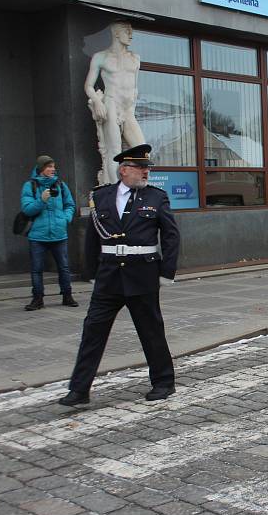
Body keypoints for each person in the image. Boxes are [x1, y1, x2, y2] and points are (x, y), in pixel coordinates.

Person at [59, 144, 180, 406]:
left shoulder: (156, 198)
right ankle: (79, 389)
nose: (146, 172)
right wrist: (91, 272)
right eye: (140, 168)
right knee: (93, 330)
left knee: (151, 331)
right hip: (109, 276)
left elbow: (171, 236)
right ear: (124, 170)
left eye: (147, 168)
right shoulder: (101, 197)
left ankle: (163, 382)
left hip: (143, 274)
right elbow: (92, 237)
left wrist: (166, 271)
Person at [84, 21, 145, 185]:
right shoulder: (101, 57)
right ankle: (114, 191)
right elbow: (88, 86)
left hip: (128, 109)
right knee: (114, 151)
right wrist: (97, 101)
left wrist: (131, 108)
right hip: (112, 104)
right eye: (127, 31)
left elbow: (135, 88)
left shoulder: (135, 58)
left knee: (142, 150)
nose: (131, 35)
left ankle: (138, 188)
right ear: (116, 33)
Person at [20, 155, 78, 311]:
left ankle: (67, 296)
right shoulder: (30, 186)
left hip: (59, 233)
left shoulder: (60, 184)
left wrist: (65, 219)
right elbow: (27, 209)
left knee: (64, 267)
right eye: (48, 167)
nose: (52, 169)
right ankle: (37, 299)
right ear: (40, 169)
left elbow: (70, 205)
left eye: (53, 166)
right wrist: (41, 200)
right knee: (37, 269)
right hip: (37, 236)